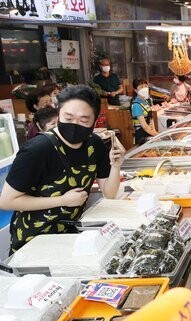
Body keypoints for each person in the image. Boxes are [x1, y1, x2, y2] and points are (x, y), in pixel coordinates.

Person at [0, 85, 125, 253]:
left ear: (94, 121)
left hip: (71, 236)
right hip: (34, 242)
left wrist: (116, 165)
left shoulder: (94, 144)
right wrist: (62, 201)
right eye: (68, 117)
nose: (75, 124)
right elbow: (7, 201)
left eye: (84, 120)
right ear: (58, 114)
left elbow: (109, 193)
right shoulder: (37, 150)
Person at [131, 78, 158, 145]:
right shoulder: (136, 105)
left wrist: (154, 131)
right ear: (136, 90)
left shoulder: (146, 101)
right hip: (142, 138)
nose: (144, 88)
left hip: (149, 134)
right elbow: (144, 126)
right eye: (141, 87)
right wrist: (156, 135)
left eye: (146, 86)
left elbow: (151, 119)